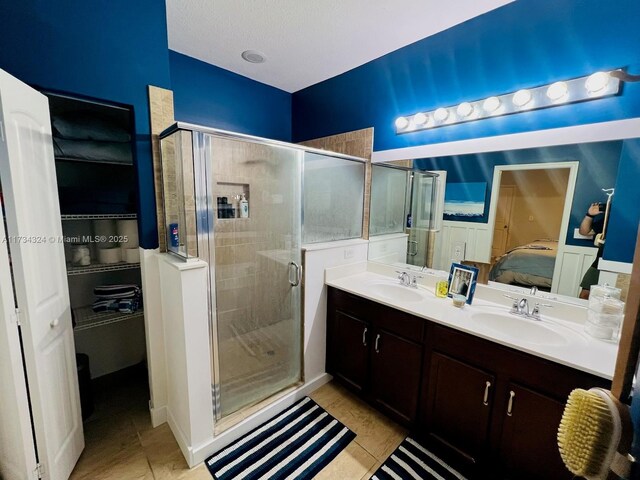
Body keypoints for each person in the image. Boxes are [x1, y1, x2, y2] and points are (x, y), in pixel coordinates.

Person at [578, 201, 606, 299]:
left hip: (622, 264)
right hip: (599, 262)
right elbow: (584, 231)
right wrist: (589, 215)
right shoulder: (607, 220)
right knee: (585, 295)